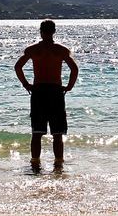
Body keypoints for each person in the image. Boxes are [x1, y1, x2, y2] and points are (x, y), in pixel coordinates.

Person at [14, 19, 78, 167]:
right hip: (55, 90)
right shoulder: (62, 50)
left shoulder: (32, 50)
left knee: (37, 132)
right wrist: (69, 86)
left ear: (41, 31)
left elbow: (18, 67)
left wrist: (26, 84)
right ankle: (58, 164)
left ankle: (35, 163)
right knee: (57, 133)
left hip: (39, 90)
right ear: (54, 31)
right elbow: (74, 69)